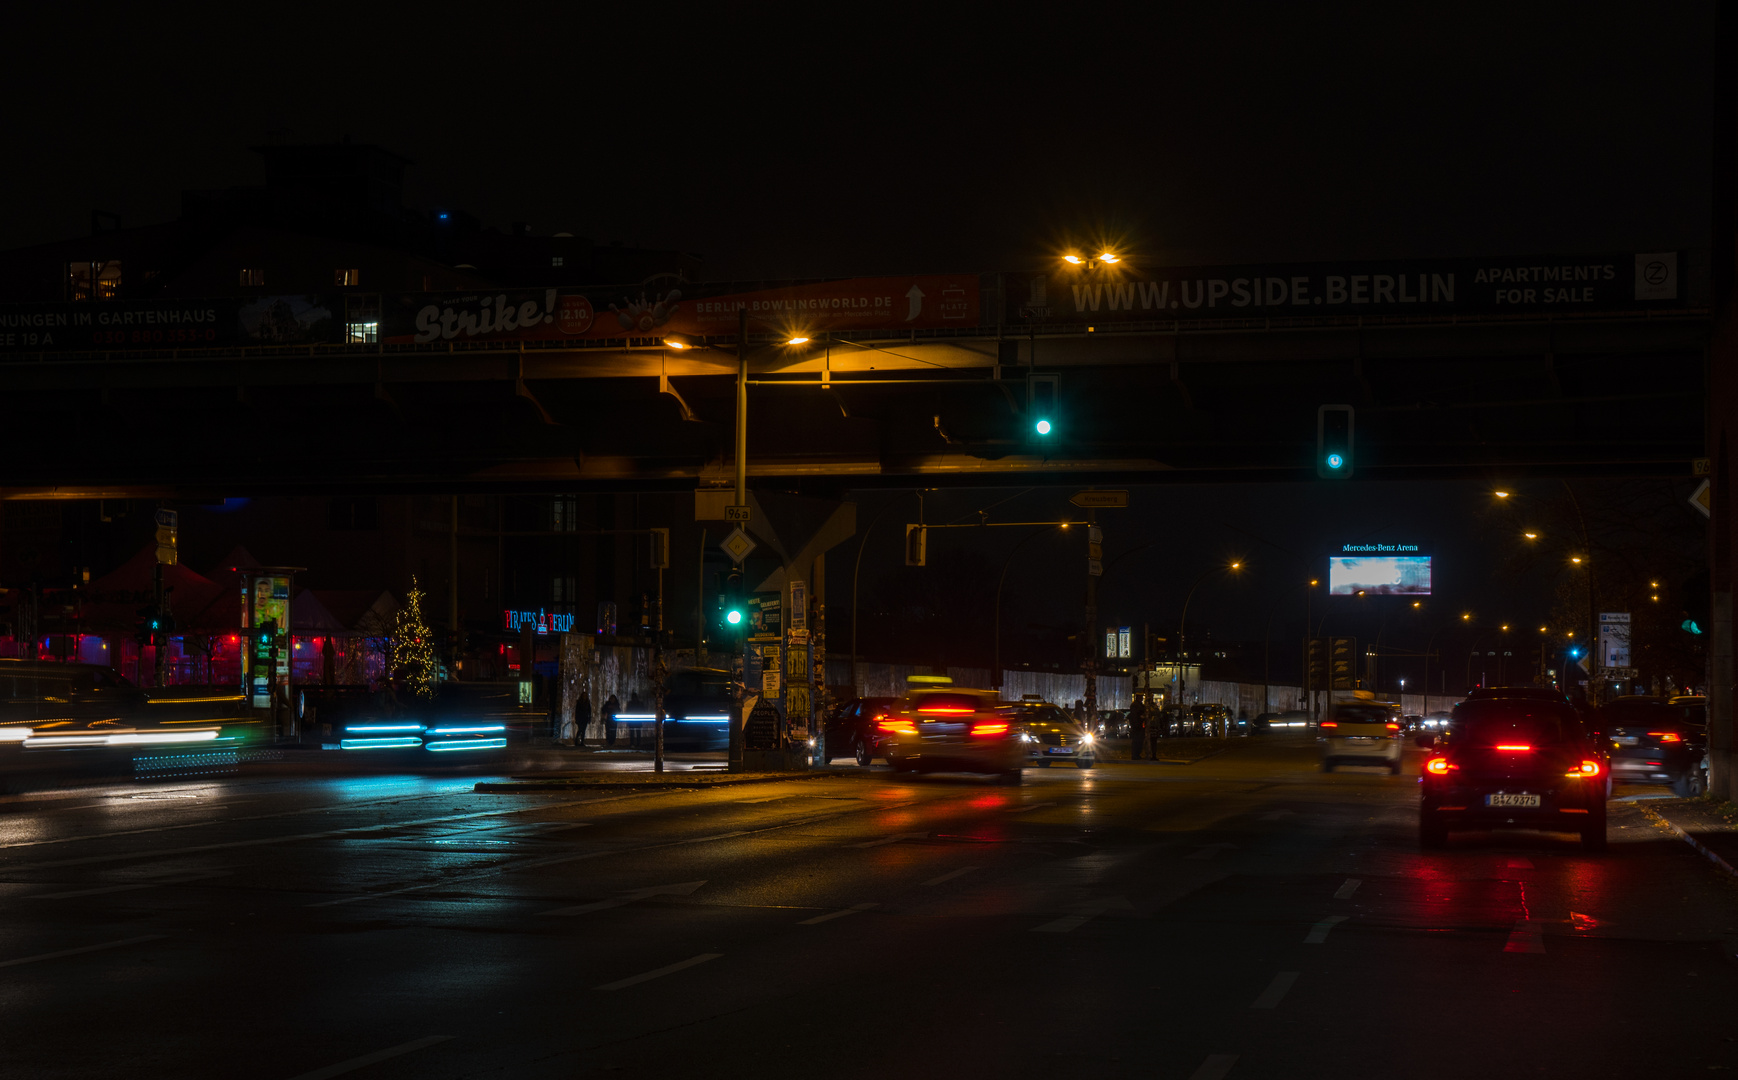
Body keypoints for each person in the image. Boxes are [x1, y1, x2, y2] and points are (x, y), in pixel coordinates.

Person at [1127, 695, 1147, 760]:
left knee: (1139, 741)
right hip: (1137, 726)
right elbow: (1135, 715)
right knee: (1137, 741)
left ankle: (1137, 754)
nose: (1142, 698)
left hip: (1139, 725)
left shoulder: (1139, 705)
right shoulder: (1135, 705)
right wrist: (1138, 721)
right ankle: (1135, 755)